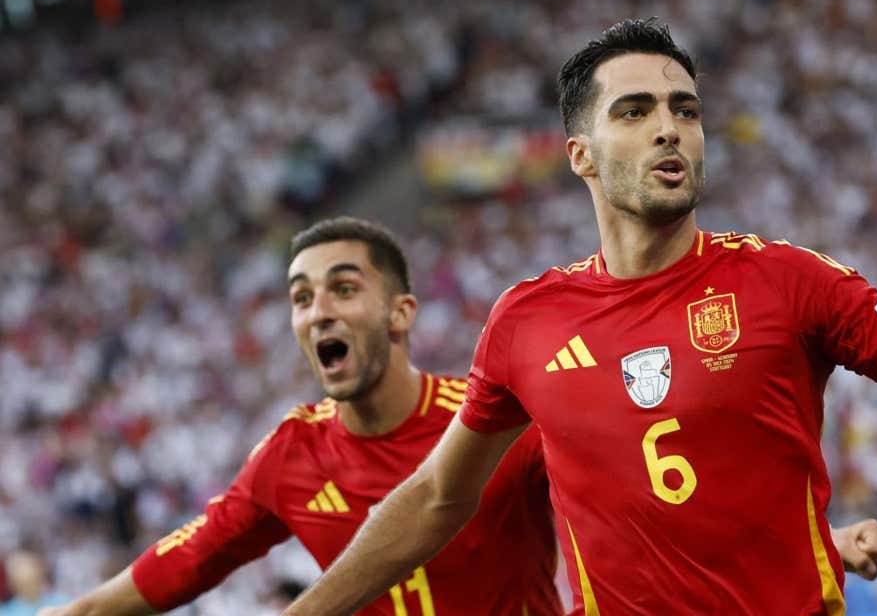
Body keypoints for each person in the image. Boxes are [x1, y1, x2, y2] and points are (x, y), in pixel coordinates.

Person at [280, 20, 877, 616]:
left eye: (685, 109)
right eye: (635, 112)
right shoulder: (526, 321)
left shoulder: (789, 283)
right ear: (582, 155)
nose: (670, 128)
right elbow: (439, 498)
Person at [36, 217, 563, 616]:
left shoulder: (496, 425)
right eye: (301, 298)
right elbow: (179, 567)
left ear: (400, 312)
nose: (318, 312)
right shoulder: (290, 454)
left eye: (344, 288)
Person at [1, 550, 67, 616]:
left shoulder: (62, 602)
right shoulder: (6, 612)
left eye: (31, 580)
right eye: (24, 584)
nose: (29, 587)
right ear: (12, 584)